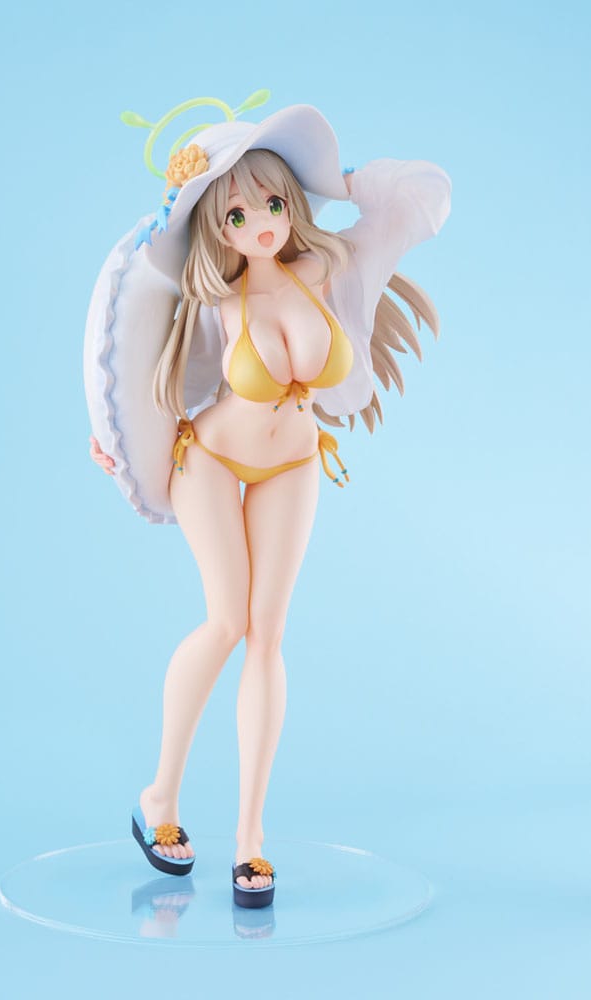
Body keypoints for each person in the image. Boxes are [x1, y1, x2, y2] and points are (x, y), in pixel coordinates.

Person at [83, 96, 452, 908]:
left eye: (275, 202)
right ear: (217, 227)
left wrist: (342, 180)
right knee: (226, 621)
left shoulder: (333, 269)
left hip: (292, 465)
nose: (261, 224)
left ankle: (250, 839)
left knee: (269, 635)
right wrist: (118, 446)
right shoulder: (214, 304)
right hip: (211, 461)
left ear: (293, 202)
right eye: (238, 213)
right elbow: (140, 372)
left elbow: (425, 195)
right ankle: (159, 797)